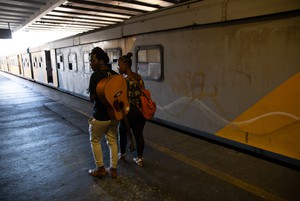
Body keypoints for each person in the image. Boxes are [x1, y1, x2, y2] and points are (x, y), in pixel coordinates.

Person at [88, 47, 119, 178]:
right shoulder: (115, 75)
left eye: (92, 60)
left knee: (95, 140)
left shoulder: (96, 76)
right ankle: (113, 169)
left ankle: (100, 168)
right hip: (113, 116)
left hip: (100, 116)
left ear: (101, 61)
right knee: (112, 141)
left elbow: (92, 98)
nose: (90, 63)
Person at [118, 52, 147, 167]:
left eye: (120, 65)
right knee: (139, 134)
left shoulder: (124, 80)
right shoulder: (139, 77)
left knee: (122, 131)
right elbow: (143, 92)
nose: (119, 67)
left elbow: (122, 98)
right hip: (140, 110)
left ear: (126, 65)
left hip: (129, 111)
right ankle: (139, 158)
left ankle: (122, 154)